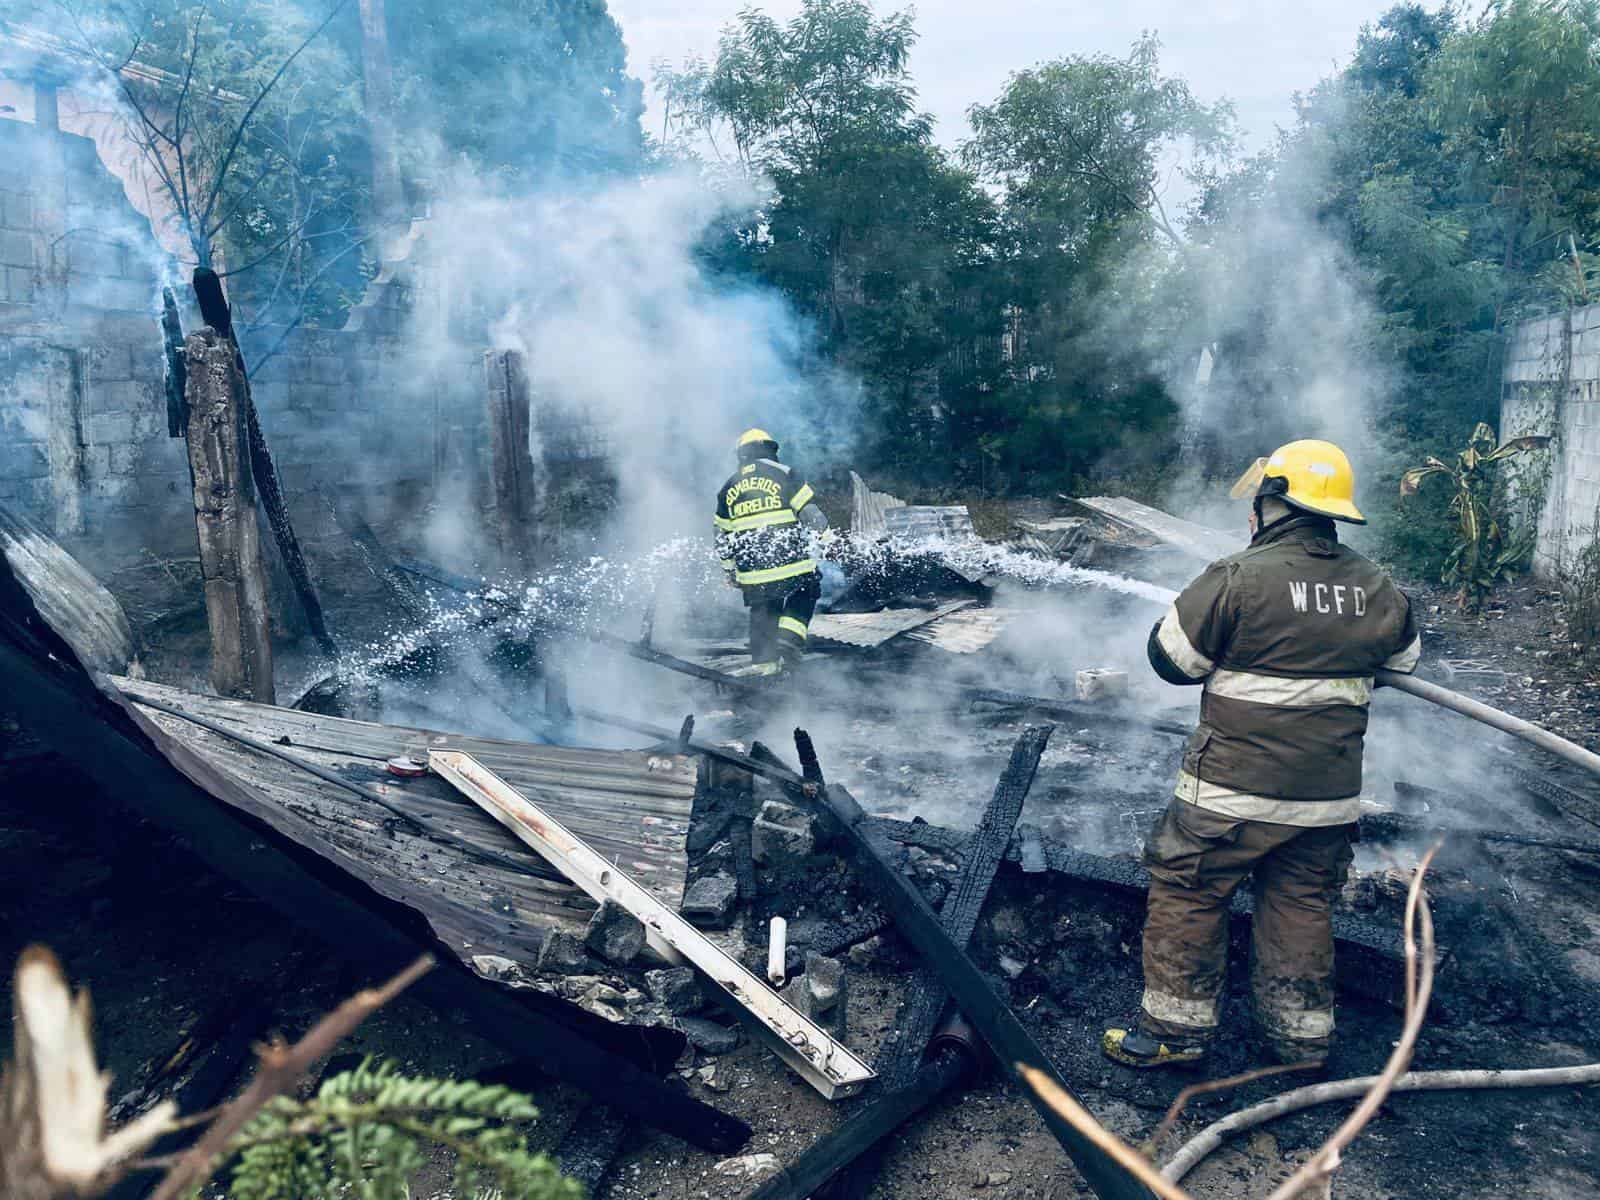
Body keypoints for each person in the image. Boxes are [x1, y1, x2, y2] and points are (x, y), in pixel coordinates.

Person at [1102, 439, 1422, 1070]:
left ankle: (1174, 1033)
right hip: (1326, 800)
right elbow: (1403, 663)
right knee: (1301, 902)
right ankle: (1301, 1041)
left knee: (1189, 888)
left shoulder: (1237, 577)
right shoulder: (1377, 585)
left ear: (1274, 503)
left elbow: (1171, 662)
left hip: (1231, 794)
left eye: (1259, 500)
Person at [714, 429, 829, 678]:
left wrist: (729, 570)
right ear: (770, 449)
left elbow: (721, 536)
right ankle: (789, 640)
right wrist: (829, 542)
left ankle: (766, 673)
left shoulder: (728, 487)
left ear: (741, 454)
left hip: (752, 572)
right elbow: (812, 516)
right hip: (791, 563)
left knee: (763, 611)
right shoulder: (784, 474)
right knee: (807, 589)